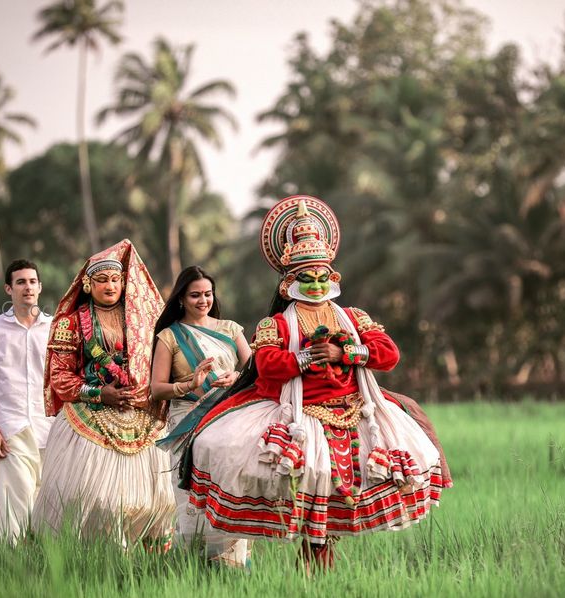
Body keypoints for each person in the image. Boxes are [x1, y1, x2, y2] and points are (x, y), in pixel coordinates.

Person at [182, 196, 449, 568]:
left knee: (344, 494)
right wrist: (307, 358)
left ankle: (319, 566)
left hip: (358, 410)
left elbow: (388, 354)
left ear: (334, 278)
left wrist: (346, 354)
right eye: (307, 278)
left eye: (323, 276)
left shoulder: (353, 317)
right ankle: (306, 565)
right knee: (290, 477)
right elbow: (266, 364)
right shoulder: (274, 325)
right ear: (288, 283)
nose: (316, 284)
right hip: (297, 414)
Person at [32, 240, 175, 548]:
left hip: (140, 414)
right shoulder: (70, 324)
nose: (110, 286)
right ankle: (94, 561)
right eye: (102, 280)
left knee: (156, 500)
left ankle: (146, 569)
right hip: (89, 416)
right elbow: (60, 378)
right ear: (87, 284)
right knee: (97, 500)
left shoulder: (140, 321)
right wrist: (100, 394)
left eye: (115, 279)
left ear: (124, 283)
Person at [149, 265, 252, 565]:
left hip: (228, 419)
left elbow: (255, 370)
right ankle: (193, 565)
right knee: (192, 496)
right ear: (181, 298)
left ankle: (232, 563)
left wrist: (236, 378)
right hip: (187, 424)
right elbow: (156, 389)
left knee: (230, 488)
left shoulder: (231, 329)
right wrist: (190, 384)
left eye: (208, 294)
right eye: (195, 295)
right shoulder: (169, 336)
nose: (203, 300)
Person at [0, 259, 54, 544]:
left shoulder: (56, 330)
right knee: (14, 511)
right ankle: (13, 566)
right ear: (9, 289)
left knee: (51, 510)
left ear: (40, 287)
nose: (27, 287)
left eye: (32, 281)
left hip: (51, 430)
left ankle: (48, 568)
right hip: (11, 430)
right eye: (20, 282)